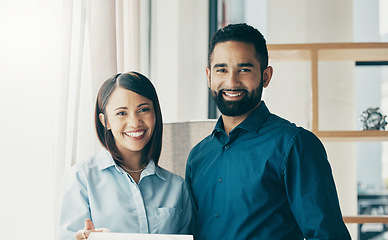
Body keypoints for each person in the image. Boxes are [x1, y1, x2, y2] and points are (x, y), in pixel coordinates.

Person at [185, 23, 351, 239]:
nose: (232, 81)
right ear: (209, 76)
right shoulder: (197, 157)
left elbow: (328, 236)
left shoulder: (295, 145)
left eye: (244, 69)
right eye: (222, 69)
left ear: (266, 76)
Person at [59, 72, 192, 240]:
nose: (135, 122)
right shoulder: (82, 178)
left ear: (155, 115)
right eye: (122, 113)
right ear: (104, 121)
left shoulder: (177, 186)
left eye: (143, 110)